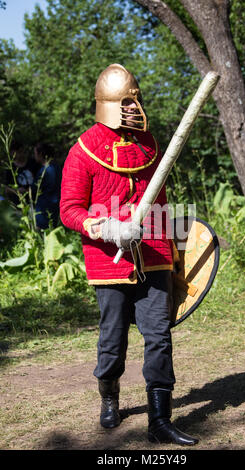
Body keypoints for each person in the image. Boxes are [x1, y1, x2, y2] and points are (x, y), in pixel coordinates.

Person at [60, 63, 198, 446]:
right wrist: (107, 228)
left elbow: (164, 202)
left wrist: (176, 258)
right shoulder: (83, 150)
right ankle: (110, 396)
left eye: (135, 100)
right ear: (108, 103)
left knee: (158, 336)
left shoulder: (150, 145)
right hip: (109, 260)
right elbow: (69, 209)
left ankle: (160, 420)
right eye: (125, 101)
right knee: (112, 339)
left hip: (154, 252)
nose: (133, 108)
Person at [32, 142, 61, 229]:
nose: (34, 156)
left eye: (35, 153)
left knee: (42, 235)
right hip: (56, 208)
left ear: (40, 154)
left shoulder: (44, 171)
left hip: (43, 210)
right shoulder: (57, 167)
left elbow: (34, 189)